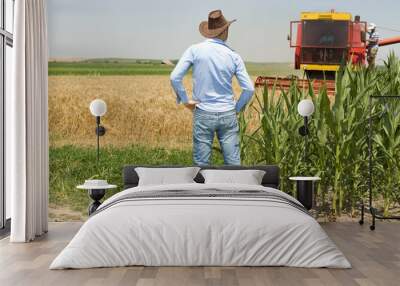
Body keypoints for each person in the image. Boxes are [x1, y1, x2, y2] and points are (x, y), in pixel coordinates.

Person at [170, 10, 254, 166]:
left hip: (203, 112)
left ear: (209, 31)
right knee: (233, 164)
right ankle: (234, 190)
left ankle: (203, 190)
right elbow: (249, 89)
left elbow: (174, 77)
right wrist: (236, 108)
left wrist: (185, 100)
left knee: (201, 164)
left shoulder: (194, 50)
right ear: (226, 30)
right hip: (228, 113)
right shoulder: (233, 55)